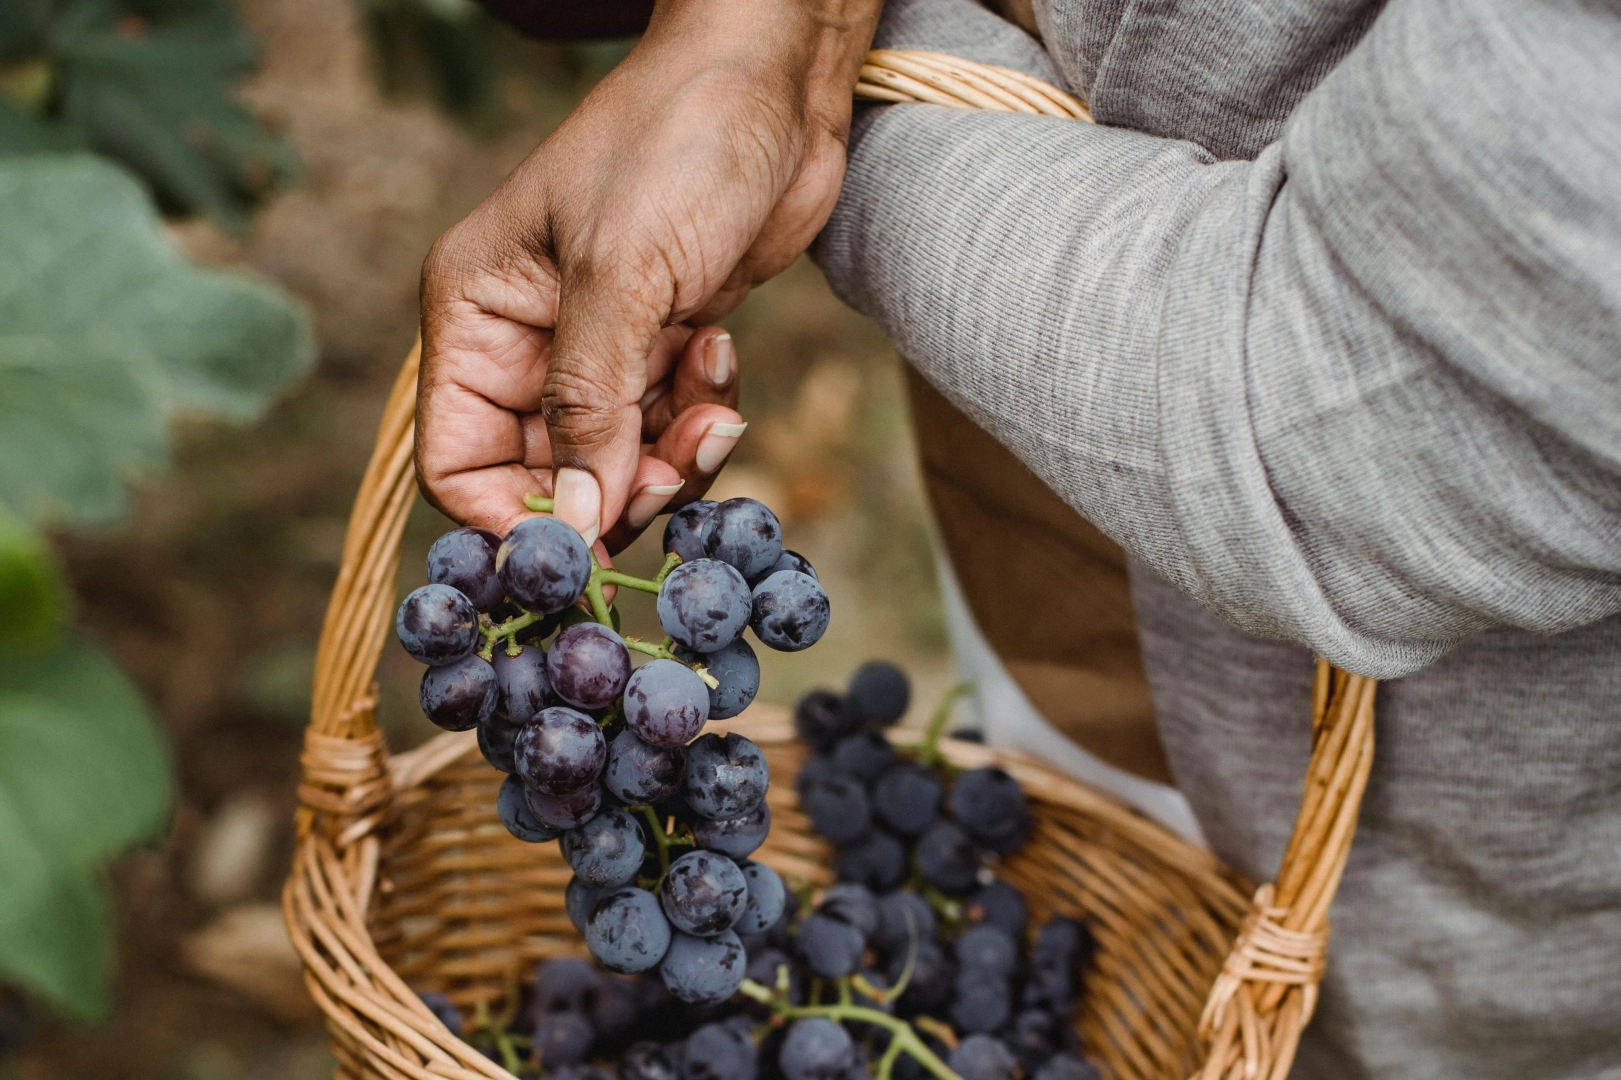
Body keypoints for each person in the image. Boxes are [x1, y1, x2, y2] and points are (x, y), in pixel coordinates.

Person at [415, 0, 1621, 1077]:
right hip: (1054, 512)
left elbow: (1389, 409)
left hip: (1467, 856)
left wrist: (823, 94)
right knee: (1047, 882)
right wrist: (760, 30)